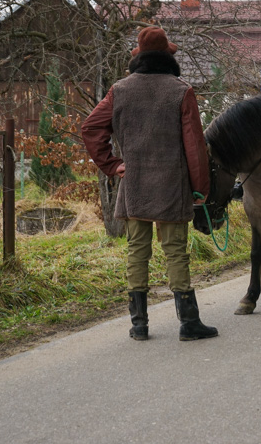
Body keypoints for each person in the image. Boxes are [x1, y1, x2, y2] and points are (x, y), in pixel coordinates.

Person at [82, 26, 217, 342]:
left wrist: (113, 165)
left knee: (136, 251)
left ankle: (139, 325)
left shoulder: (120, 90)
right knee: (175, 251)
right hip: (172, 184)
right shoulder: (181, 91)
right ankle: (189, 323)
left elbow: (90, 129)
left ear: (139, 58)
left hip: (134, 183)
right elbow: (195, 147)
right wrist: (200, 189)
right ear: (168, 57)